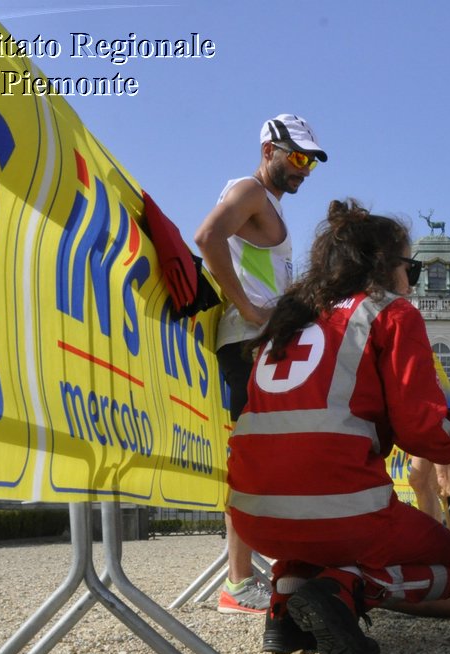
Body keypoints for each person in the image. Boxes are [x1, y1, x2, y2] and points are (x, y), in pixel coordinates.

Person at [226, 199, 450, 654]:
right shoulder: (388, 311)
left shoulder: (289, 315)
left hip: (251, 512)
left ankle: (284, 607)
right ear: (386, 266)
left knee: (311, 535)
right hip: (340, 507)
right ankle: (350, 589)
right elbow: (423, 428)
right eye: (412, 266)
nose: (413, 279)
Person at [194, 114, 326, 616]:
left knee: (268, 460)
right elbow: (207, 237)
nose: (305, 170)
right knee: (255, 461)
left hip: (260, 342)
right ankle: (238, 581)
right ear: (269, 148)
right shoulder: (250, 190)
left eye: (310, 161)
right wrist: (250, 310)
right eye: (296, 157)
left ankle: (257, 572)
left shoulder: (265, 201)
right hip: (248, 342)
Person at [408, 351, 450, 537]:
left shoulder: (411, 348)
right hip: (432, 413)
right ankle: (433, 537)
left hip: (440, 413)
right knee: (418, 480)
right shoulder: (415, 347)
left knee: (446, 480)